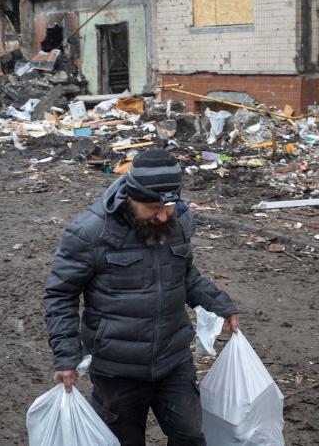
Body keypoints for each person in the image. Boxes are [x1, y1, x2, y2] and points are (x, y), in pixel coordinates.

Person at [44, 149, 239, 445]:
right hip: (116, 369)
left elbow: (185, 275)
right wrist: (66, 356)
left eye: (169, 206)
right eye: (151, 208)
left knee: (190, 436)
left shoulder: (180, 221)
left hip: (173, 360)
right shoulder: (89, 232)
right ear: (131, 197)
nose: (162, 216)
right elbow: (61, 294)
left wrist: (219, 304)